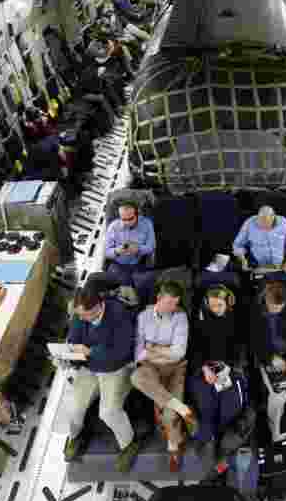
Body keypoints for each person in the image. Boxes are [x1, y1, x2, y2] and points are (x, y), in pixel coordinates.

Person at [62, 287, 140, 471]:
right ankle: (75, 436)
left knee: (109, 412)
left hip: (116, 368)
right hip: (89, 368)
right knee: (74, 409)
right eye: (79, 315)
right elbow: (74, 337)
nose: (81, 319)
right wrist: (67, 354)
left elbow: (122, 351)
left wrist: (91, 352)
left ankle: (128, 444)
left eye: (85, 315)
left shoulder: (119, 315)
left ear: (98, 307)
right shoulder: (80, 313)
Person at [131, 281, 199, 471]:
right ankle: (184, 409)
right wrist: (161, 351)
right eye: (169, 303)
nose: (172, 308)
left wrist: (153, 348)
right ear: (158, 299)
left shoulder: (180, 317)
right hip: (151, 367)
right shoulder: (143, 317)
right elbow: (138, 352)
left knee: (168, 415)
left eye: (176, 304)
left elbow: (179, 353)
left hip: (175, 368)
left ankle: (173, 446)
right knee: (136, 377)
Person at [187, 286, 248, 457]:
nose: (215, 309)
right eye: (212, 305)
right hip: (204, 367)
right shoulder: (199, 319)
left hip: (230, 367)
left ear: (227, 303)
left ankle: (217, 436)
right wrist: (205, 368)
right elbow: (194, 349)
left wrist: (229, 367)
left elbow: (241, 347)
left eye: (219, 305)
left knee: (230, 402)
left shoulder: (237, 319)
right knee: (206, 401)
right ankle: (209, 438)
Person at [252, 281, 286, 444]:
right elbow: (253, 343)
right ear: (266, 299)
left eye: (280, 308)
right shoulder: (255, 312)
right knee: (278, 396)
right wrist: (270, 358)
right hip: (267, 359)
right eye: (273, 307)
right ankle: (275, 435)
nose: (277, 311)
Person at [104, 202, 157, 304]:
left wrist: (138, 249)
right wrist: (117, 250)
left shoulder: (146, 224)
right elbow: (107, 252)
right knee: (123, 294)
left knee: (144, 289)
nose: (127, 223)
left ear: (137, 215)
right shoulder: (113, 227)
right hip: (118, 265)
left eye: (130, 219)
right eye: (123, 219)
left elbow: (151, 247)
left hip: (139, 263)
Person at [232, 205, 286, 275]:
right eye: (260, 223)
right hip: (259, 268)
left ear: (273, 217)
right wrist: (243, 260)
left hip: (280, 268)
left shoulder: (283, 222)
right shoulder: (249, 223)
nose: (263, 228)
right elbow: (237, 245)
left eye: (266, 224)